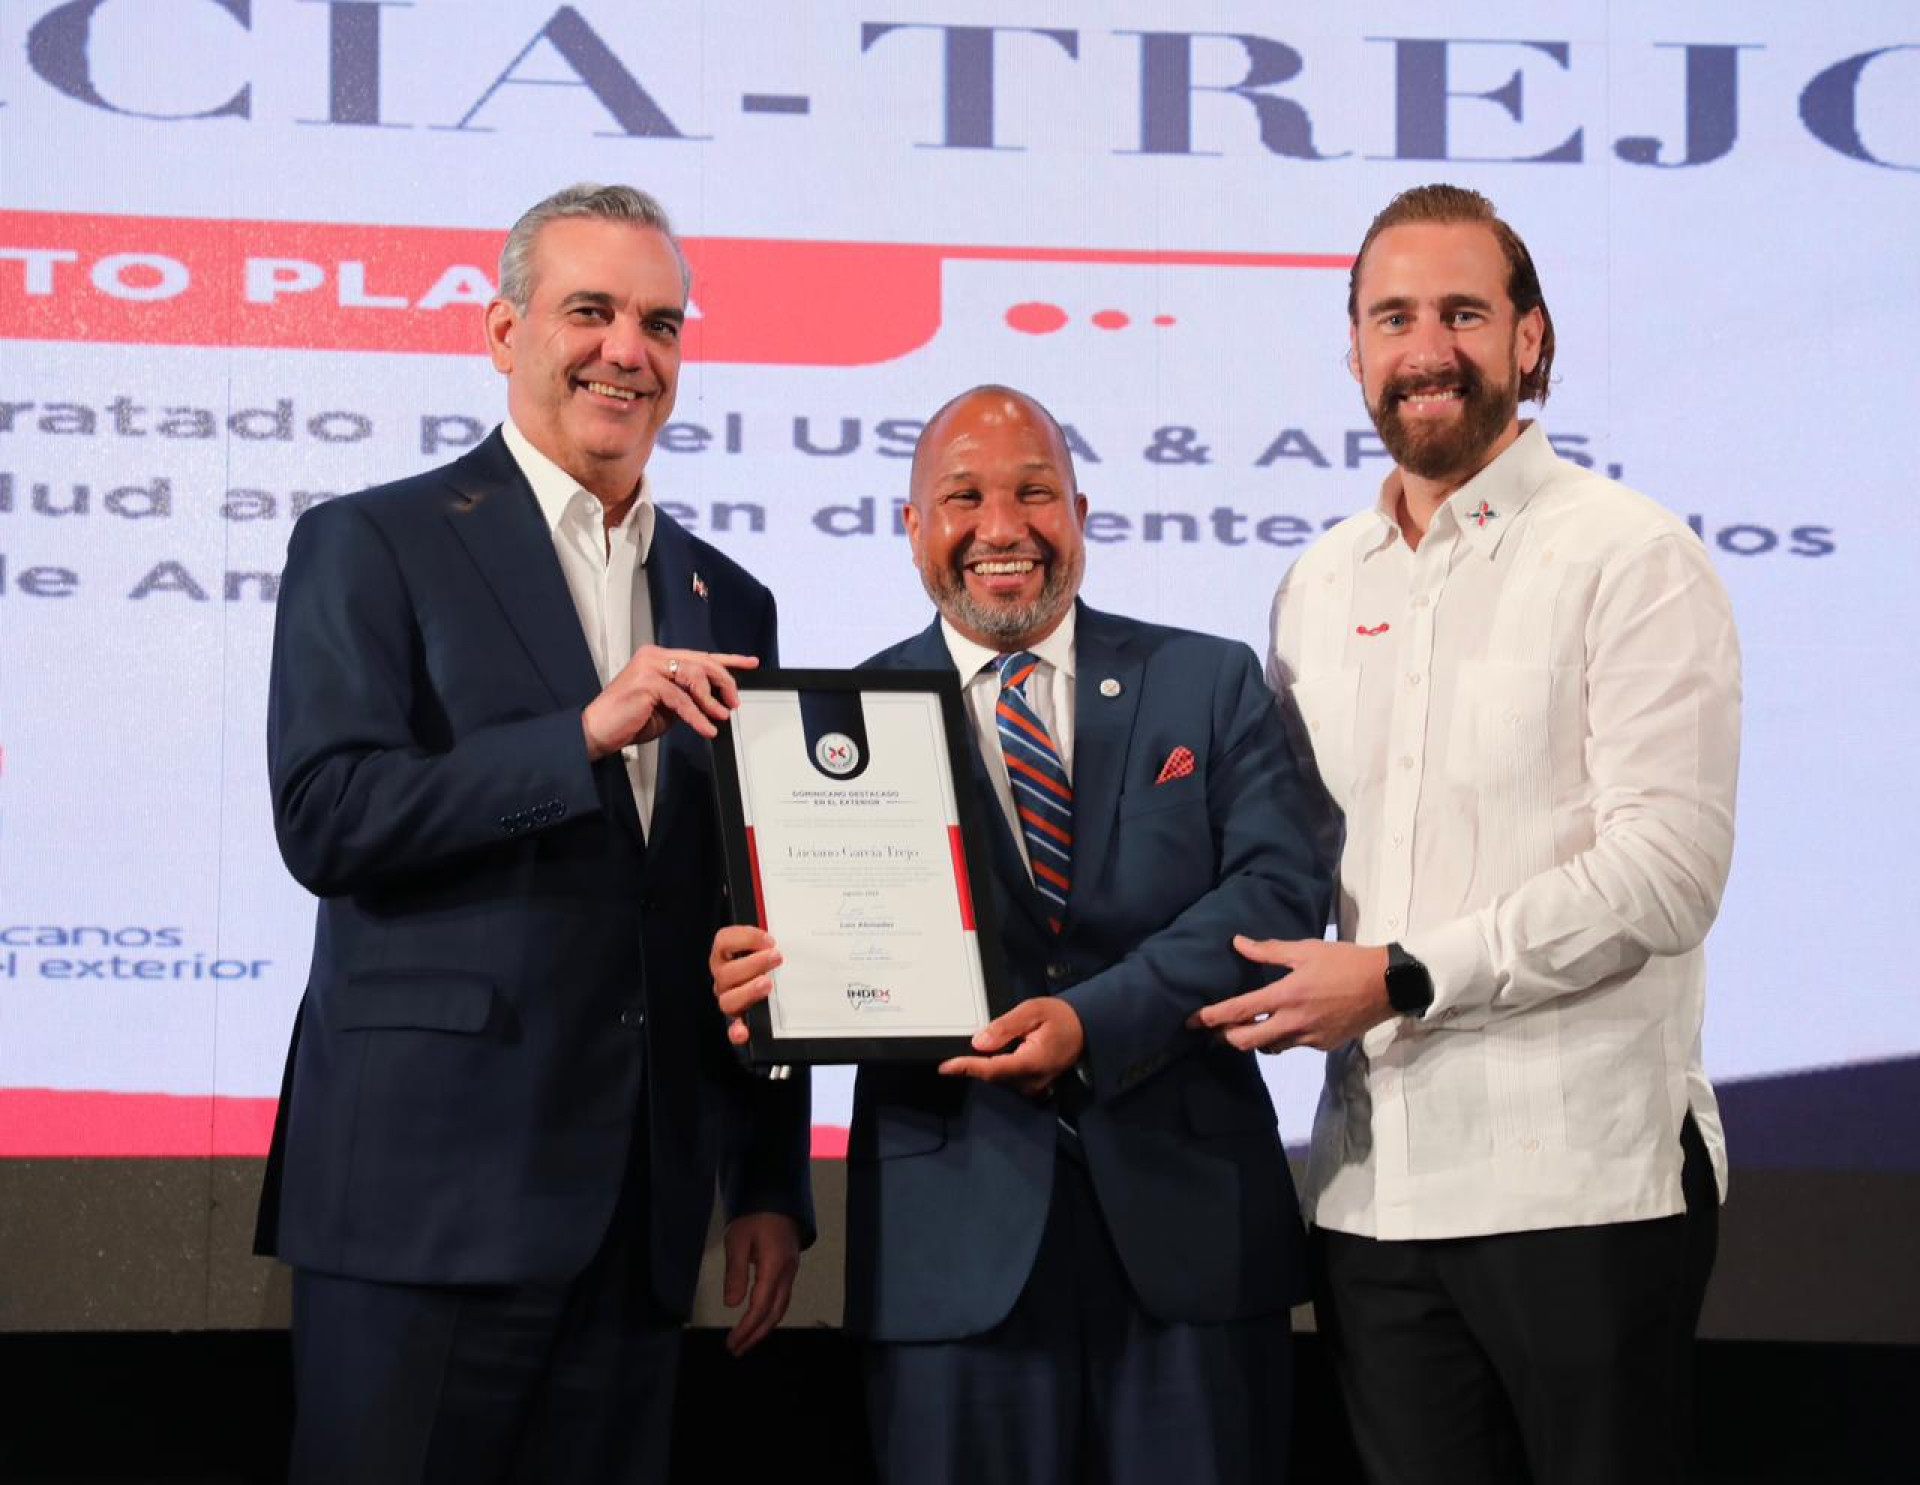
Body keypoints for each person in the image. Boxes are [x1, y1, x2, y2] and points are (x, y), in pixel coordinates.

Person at [255, 183, 813, 1485]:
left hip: (636, 1220)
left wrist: (766, 1178)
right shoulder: (371, 542)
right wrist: (579, 738)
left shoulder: (728, 597)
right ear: (506, 332)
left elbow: (749, 909)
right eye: (591, 311)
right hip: (423, 1207)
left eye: (660, 323)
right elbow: (326, 817)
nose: (629, 350)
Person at [1194, 183, 1740, 1485]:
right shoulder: (1318, 584)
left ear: (1528, 338)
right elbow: (1284, 859)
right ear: (1354, 350)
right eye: (1394, 318)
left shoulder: (1630, 556)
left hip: (1585, 1185)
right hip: (1375, 1194)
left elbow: (1667, 874)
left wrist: (1402, 975)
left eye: (1463, 313)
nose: (1426, 348)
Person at [713, 386, 1329, 1484]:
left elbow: (1279, 890)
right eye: (964, 497)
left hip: (1192, 1240)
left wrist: (1093, 1020)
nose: (1002, 527)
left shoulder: (1206, 681)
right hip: (949, 1250)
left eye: (1035, 492)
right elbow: (794, 969)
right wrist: (763, 991)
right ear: (913, 527)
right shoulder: (827, 722)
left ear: (1080, 513)